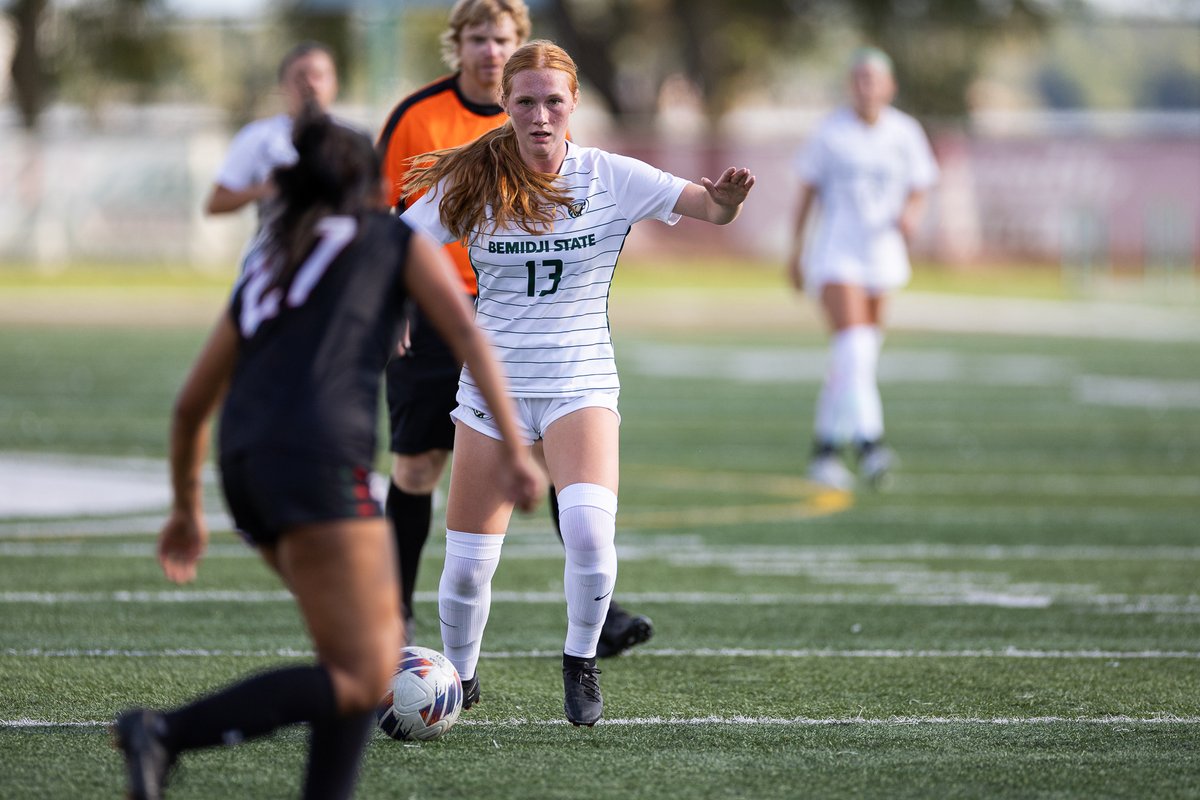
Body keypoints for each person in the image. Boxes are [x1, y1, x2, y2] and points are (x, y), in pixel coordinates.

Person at [113, 107, 543, 800]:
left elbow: (191, 404)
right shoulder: (389, 239)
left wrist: (187, 510)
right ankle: (165, 732)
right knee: (365, 673)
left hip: (245, 466)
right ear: (369, 185)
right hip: (315, 460)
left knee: (352, 656)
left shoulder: (271, 258)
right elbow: (468, 335)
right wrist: (518, 451)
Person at [400, 40, 755, 727]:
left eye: (553, 102)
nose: (540, 115)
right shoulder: (474, 179)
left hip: (580, 383)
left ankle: (580, 661)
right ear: (505, 104)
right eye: (525, 101)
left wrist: (728, 203)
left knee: (591, 537)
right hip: (492, 394)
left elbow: (709, 210)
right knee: (469, 568)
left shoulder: (610, 175)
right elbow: (399, 241)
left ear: (574, 105)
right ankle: (460, 678)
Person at [376, 0, 653, 659]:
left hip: (525, 322)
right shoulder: (420, 115)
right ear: (460, 46)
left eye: (501, 37)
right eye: (478, 37)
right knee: (419, 463)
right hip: (439, 314)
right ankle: (391, 614)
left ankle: (598, 609)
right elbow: (387, 216)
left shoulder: (547, 115)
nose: (490, 48)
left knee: (562, 454)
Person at [786, 46, 938, 491]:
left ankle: (825, 451)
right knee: (854, 348)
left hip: (883, 255)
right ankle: (871, 444)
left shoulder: (905, 132)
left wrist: (912, 214)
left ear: (890, 86)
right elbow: (807, 194)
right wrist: (796, 250)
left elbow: (921, 185)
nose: (866, 87)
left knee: (856, 357)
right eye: (859, 78)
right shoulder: (830, 133)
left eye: (874, 79)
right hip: (838, 254)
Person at [205, 41, 339, 224]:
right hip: (279, 240)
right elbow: (217, 202)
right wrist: (267, 189)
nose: (310, 84)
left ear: (335, 83)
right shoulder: (259, 136)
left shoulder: (354, 141)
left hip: (340, 241)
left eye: (318, 75)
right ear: (283, 85)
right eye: (300, 76)